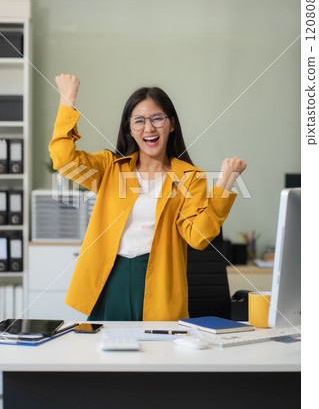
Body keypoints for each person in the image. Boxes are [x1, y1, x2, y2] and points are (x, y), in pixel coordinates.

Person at [49, 74, 246, 321]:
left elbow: (198, 238)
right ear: (129, 130)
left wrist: (225, 185)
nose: (149, 128)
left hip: (159, 282)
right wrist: (68, 98)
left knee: (158, 355)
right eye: (139, 121)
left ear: (172, 124)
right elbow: (64, 159)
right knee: (108, 356)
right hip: (111, 279)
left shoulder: (188, 177)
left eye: (157, 119)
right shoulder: (111, 168)